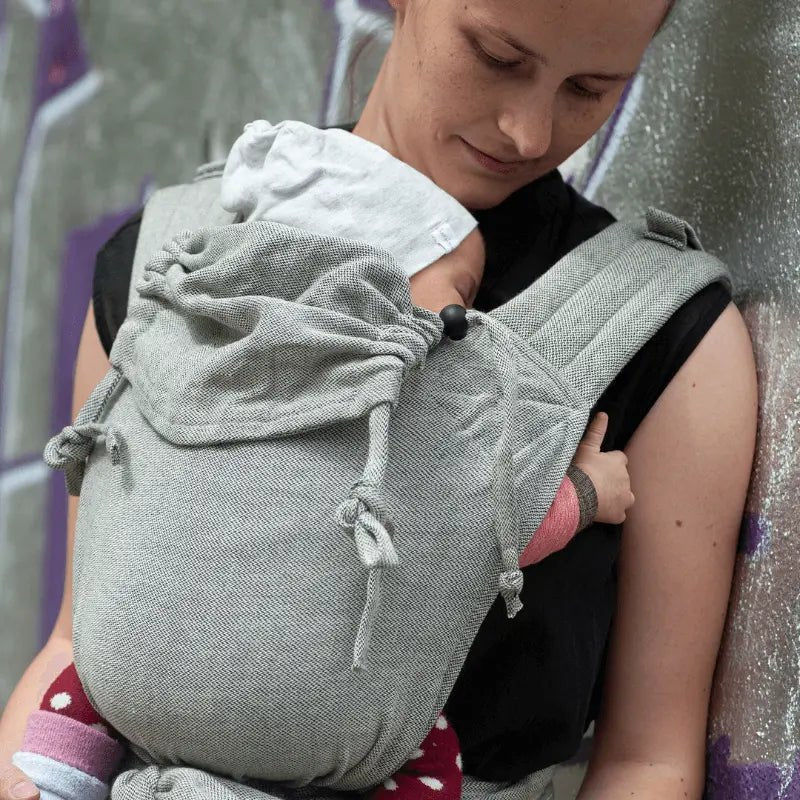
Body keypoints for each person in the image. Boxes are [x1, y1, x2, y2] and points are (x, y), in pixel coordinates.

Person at [0, 0, 758, 798]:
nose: (529, 133)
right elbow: (73, 649)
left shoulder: (661, 339)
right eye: (497, 57)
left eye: (590, 89)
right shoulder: (165, 264)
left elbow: (649, 761)